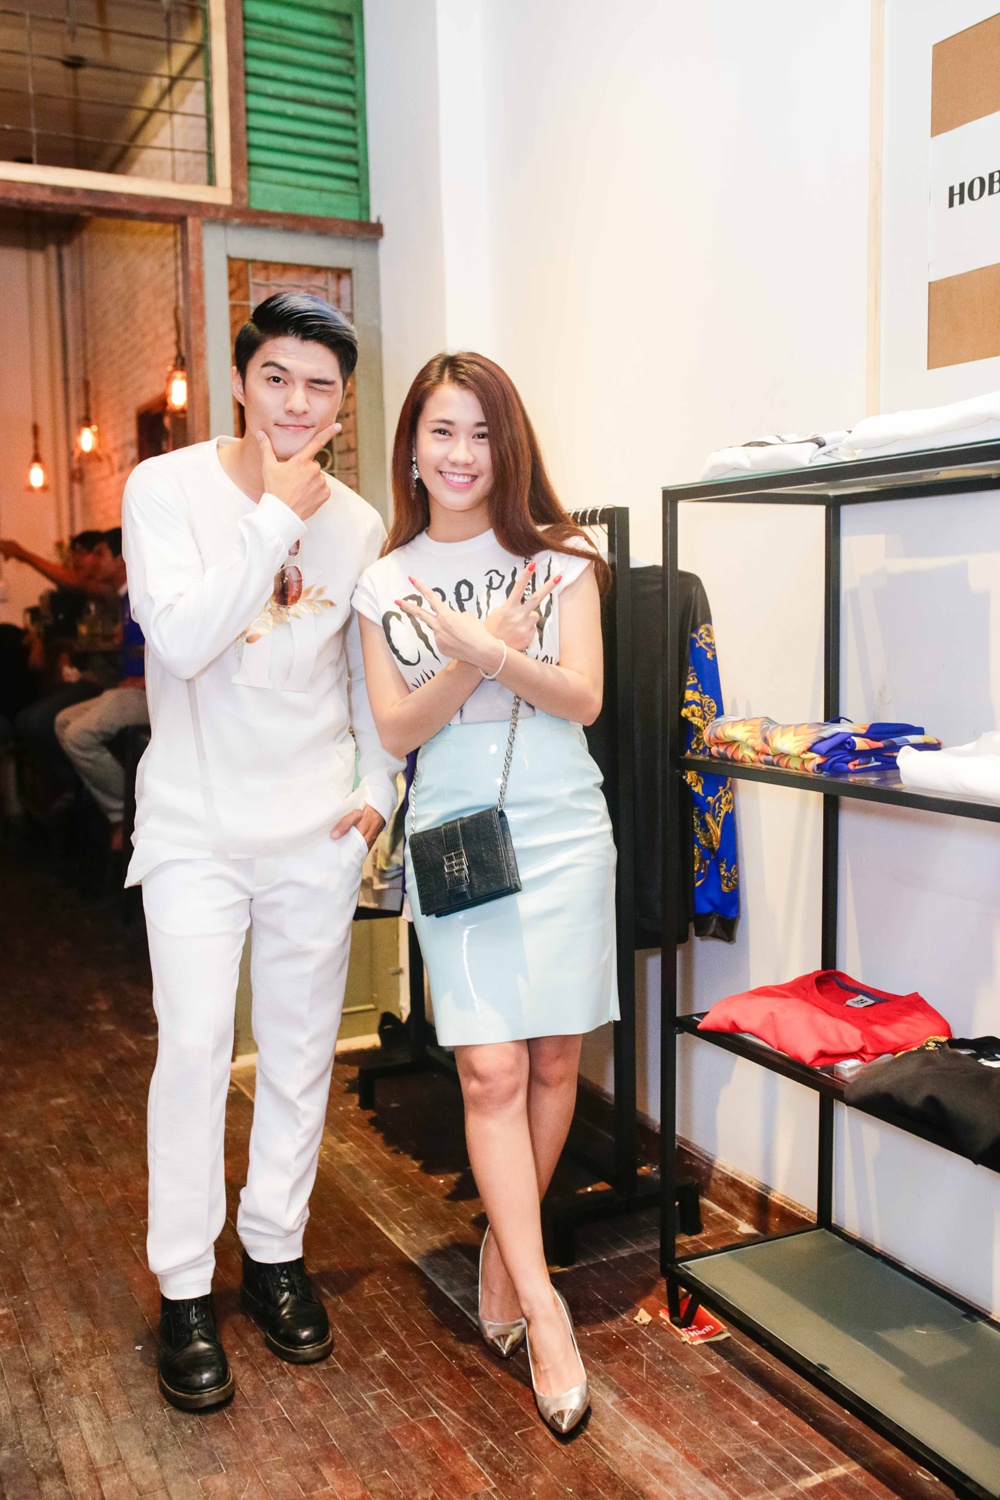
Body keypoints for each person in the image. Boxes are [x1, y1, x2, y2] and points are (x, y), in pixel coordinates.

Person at [121, 293, 400, 1413]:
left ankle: (276, 1250)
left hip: (311, 834)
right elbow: (183, 640)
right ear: (241, 381)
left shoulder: (362, 524)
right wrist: (276, 517)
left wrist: (376, 792)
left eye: (319, 386)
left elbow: (364, 676)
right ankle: (185, 1287)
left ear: (342, 403)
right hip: (193, 828)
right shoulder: (165, 489)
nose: (296, 402)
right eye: (277, 377)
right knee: (192, 1052)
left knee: (297, 1054)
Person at [354, 351, 618, 1436]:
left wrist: (494, 654)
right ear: (412, 449)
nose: (461, 455)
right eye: (441, 432)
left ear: (507, 446)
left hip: (561, 828)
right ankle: (545, 1305)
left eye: (480, 433)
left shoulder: (562, 559)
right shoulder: (386, 580)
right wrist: (475, 650)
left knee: (554, 1060)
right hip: (455, 835)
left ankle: (507, 1260)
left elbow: (584, 697)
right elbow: (396, 728)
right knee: (490, 1068)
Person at [54, 529, 149, 851]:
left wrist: (146, 678)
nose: (92, 562)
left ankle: (127, 815)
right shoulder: (125, 596)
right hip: (128, 688)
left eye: (99, 554)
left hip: (149, 693)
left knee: (78, 735)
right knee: (62, 721)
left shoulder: (144, 590)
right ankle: (118, 807)